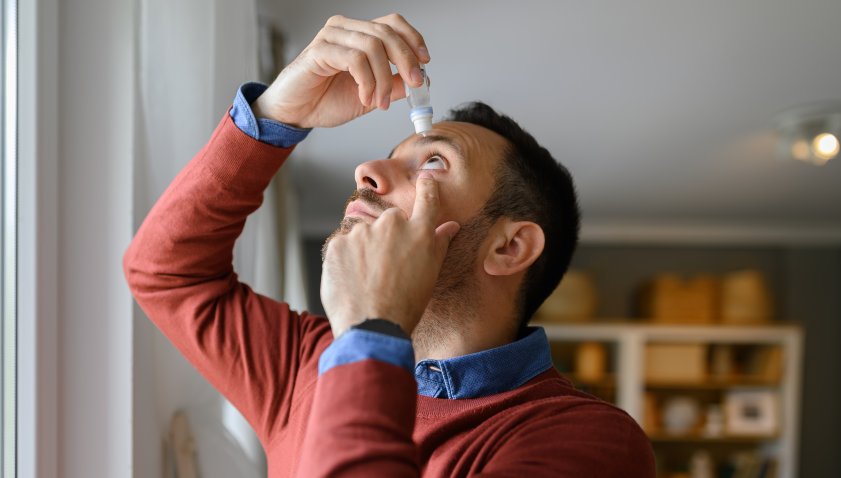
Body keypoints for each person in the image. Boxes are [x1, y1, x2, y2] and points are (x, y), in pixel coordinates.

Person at [124, 13, 655, 478]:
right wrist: (274, 118)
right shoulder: (309, 365)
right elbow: (166, 271)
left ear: (510, 247)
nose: (368, 171)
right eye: (390, 155)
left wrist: (372, 330)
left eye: (433, 163)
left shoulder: (587, 441)